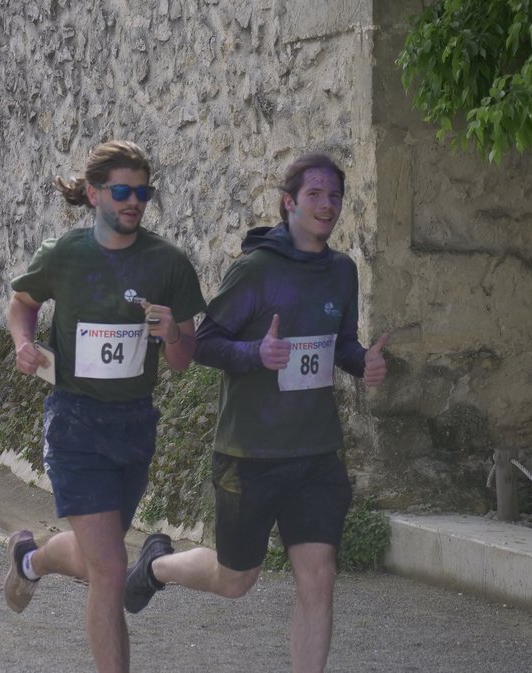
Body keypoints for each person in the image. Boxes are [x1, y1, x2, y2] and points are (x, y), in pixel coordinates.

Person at [121, 153, 388, 673]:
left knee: (320, 576)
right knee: (236, 578)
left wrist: (366, 365)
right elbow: (204, 343)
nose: (327, 205)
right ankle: (158, 565)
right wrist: (255, 356)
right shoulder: (255, 270)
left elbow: (342, 345)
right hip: (250, 454)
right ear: (289, 202)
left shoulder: (341, 271)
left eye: (334, 196)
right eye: (315, 194)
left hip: (315, 454)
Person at [3, 139, 206, 673]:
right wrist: (23, 343)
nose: (133, 201)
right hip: (76, 423)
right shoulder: (64, 254)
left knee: (104, 561)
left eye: (142, 192)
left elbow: (184, 359)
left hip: (135, 426)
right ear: (94, 194)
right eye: (121, 191)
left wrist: (171, 334)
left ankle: (31, 559)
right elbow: (22, 304)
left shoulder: (169, 264)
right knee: (113, 570)